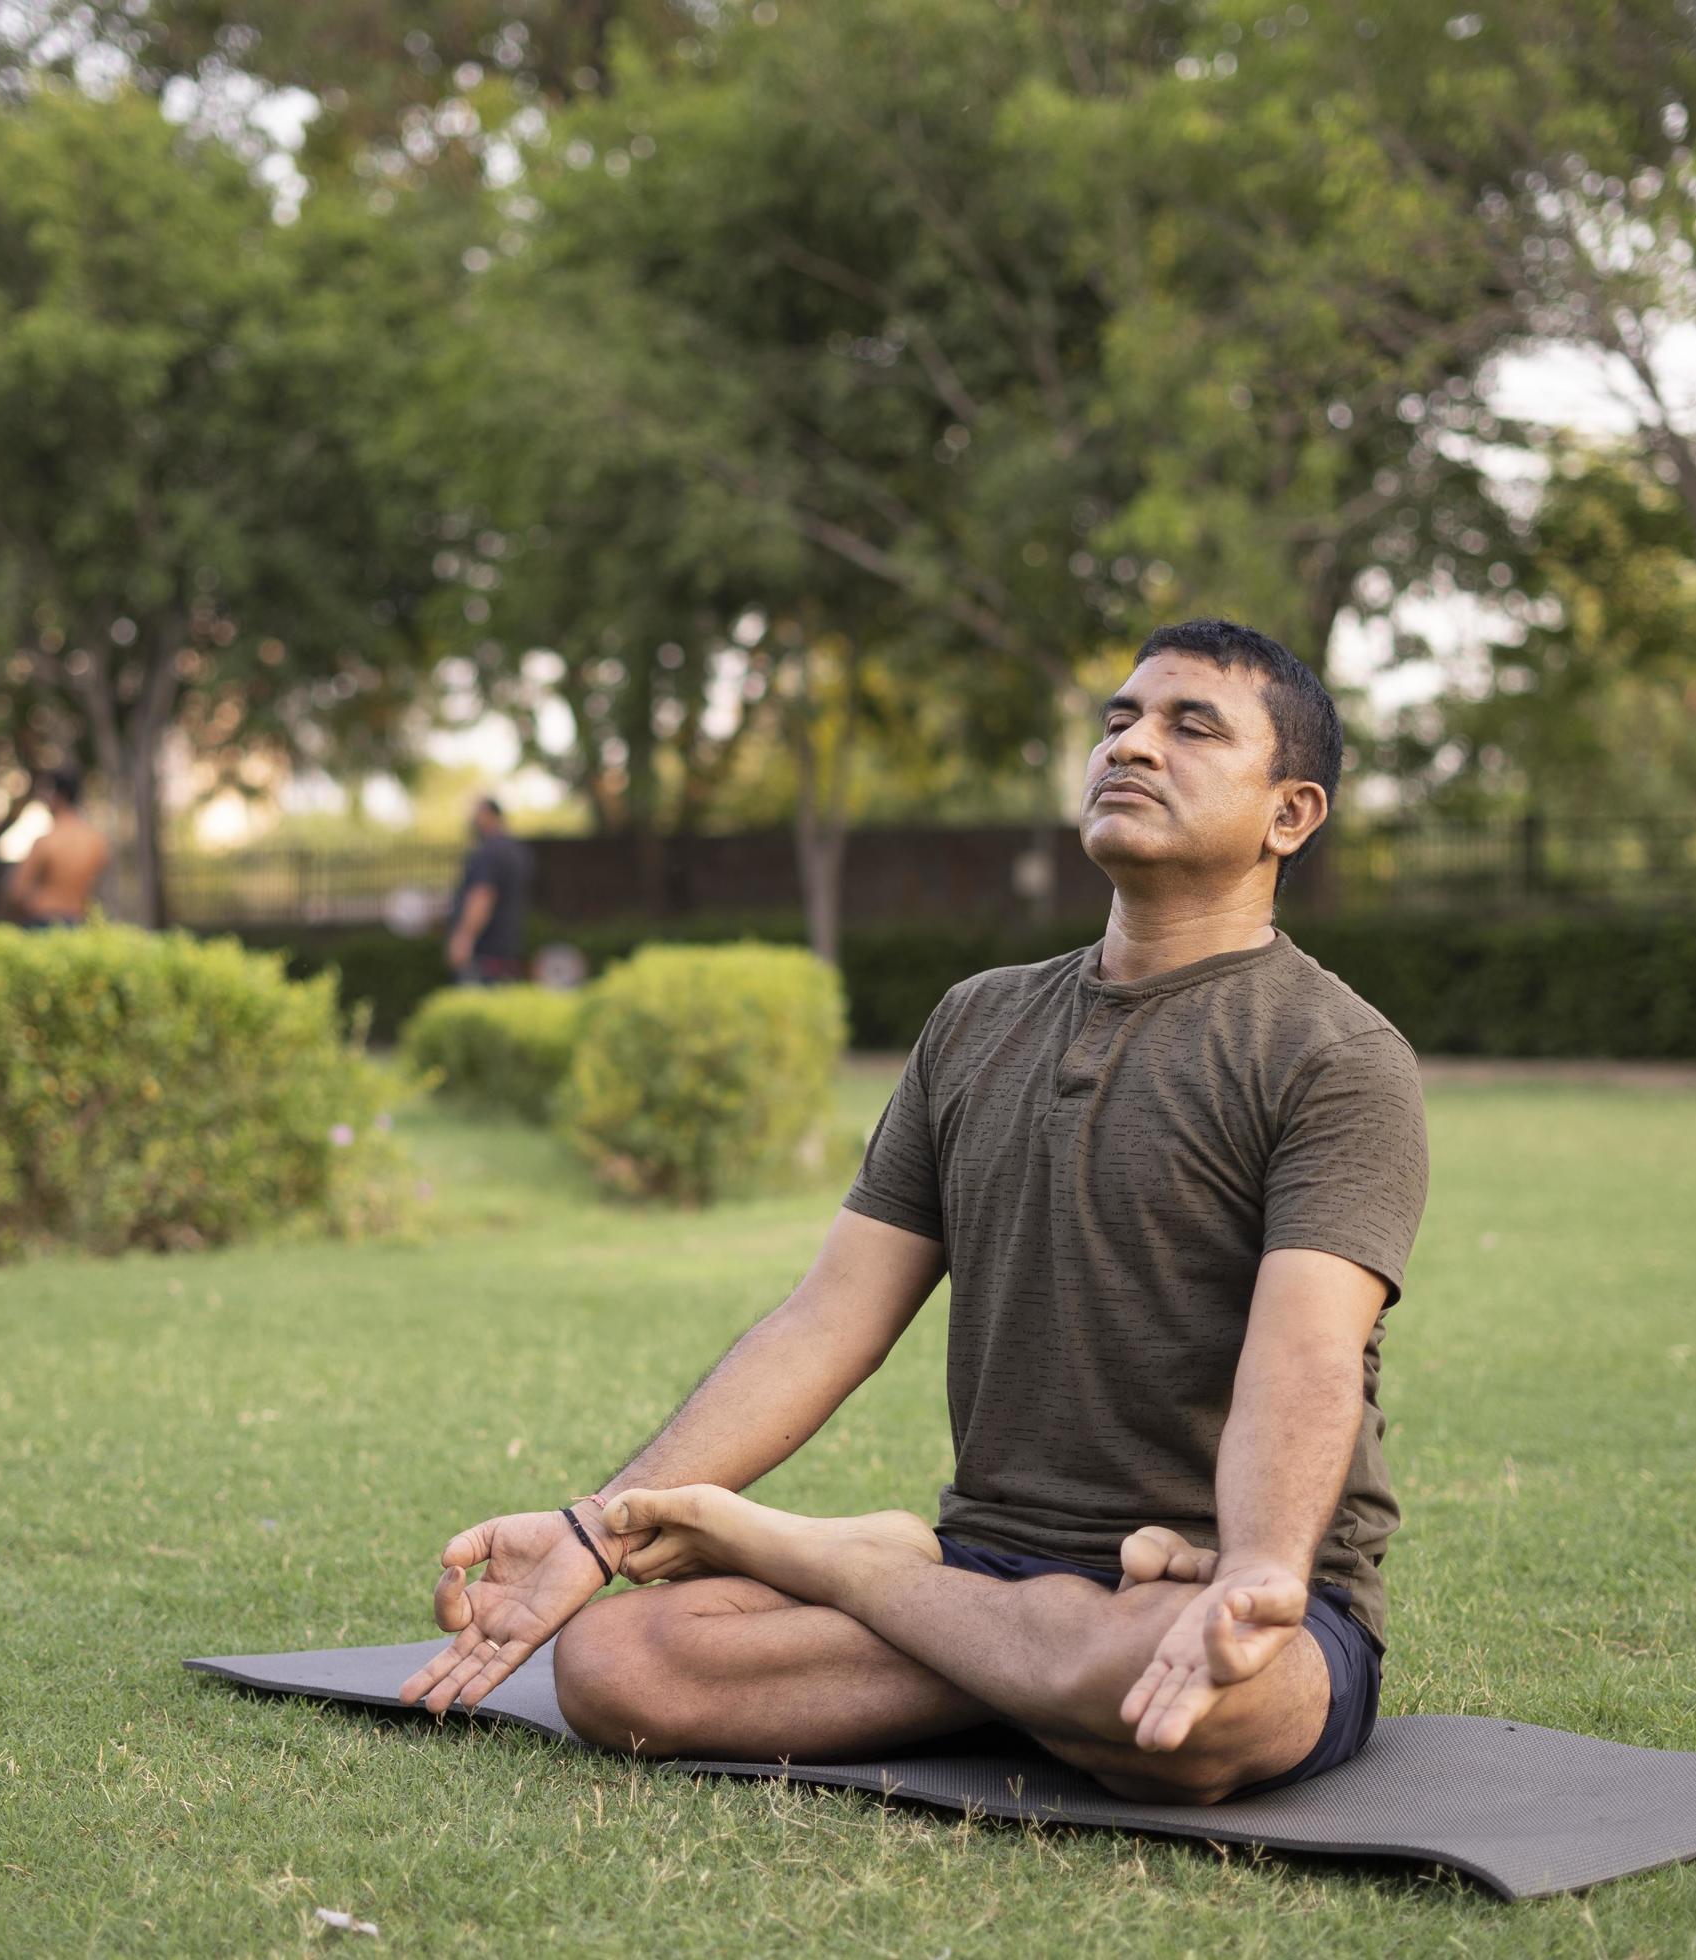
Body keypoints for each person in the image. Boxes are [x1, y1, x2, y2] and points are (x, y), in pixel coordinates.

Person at [399, 619, 1430, 1805]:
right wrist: (592, 1528)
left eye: (1191, 726)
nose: (1133, 744)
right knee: (622, 1667)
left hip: (1226, 1578)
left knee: (1192, 1712)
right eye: (1119, 719)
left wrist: (1255, 1572)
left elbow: (1307, 1353)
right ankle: (1012, 1645)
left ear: (1289, 814)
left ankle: (840, 1562)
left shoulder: (1334, 1053)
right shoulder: (975, 1022)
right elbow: (828, 1319)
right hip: (993, 1555)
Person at [4, 766, 109, 927]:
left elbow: (17, 891)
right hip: (79, 921)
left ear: (57, 797)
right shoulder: (96, 842)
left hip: (42, 922)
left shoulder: (46, 841)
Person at [444, 795, 534, 985]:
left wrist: (464, 938)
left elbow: (482, 895)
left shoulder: (488, 852)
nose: (471, 820)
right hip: (509, 950)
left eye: (475, 814)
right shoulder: (516, 851)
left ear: (488, 815)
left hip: (484, 956)